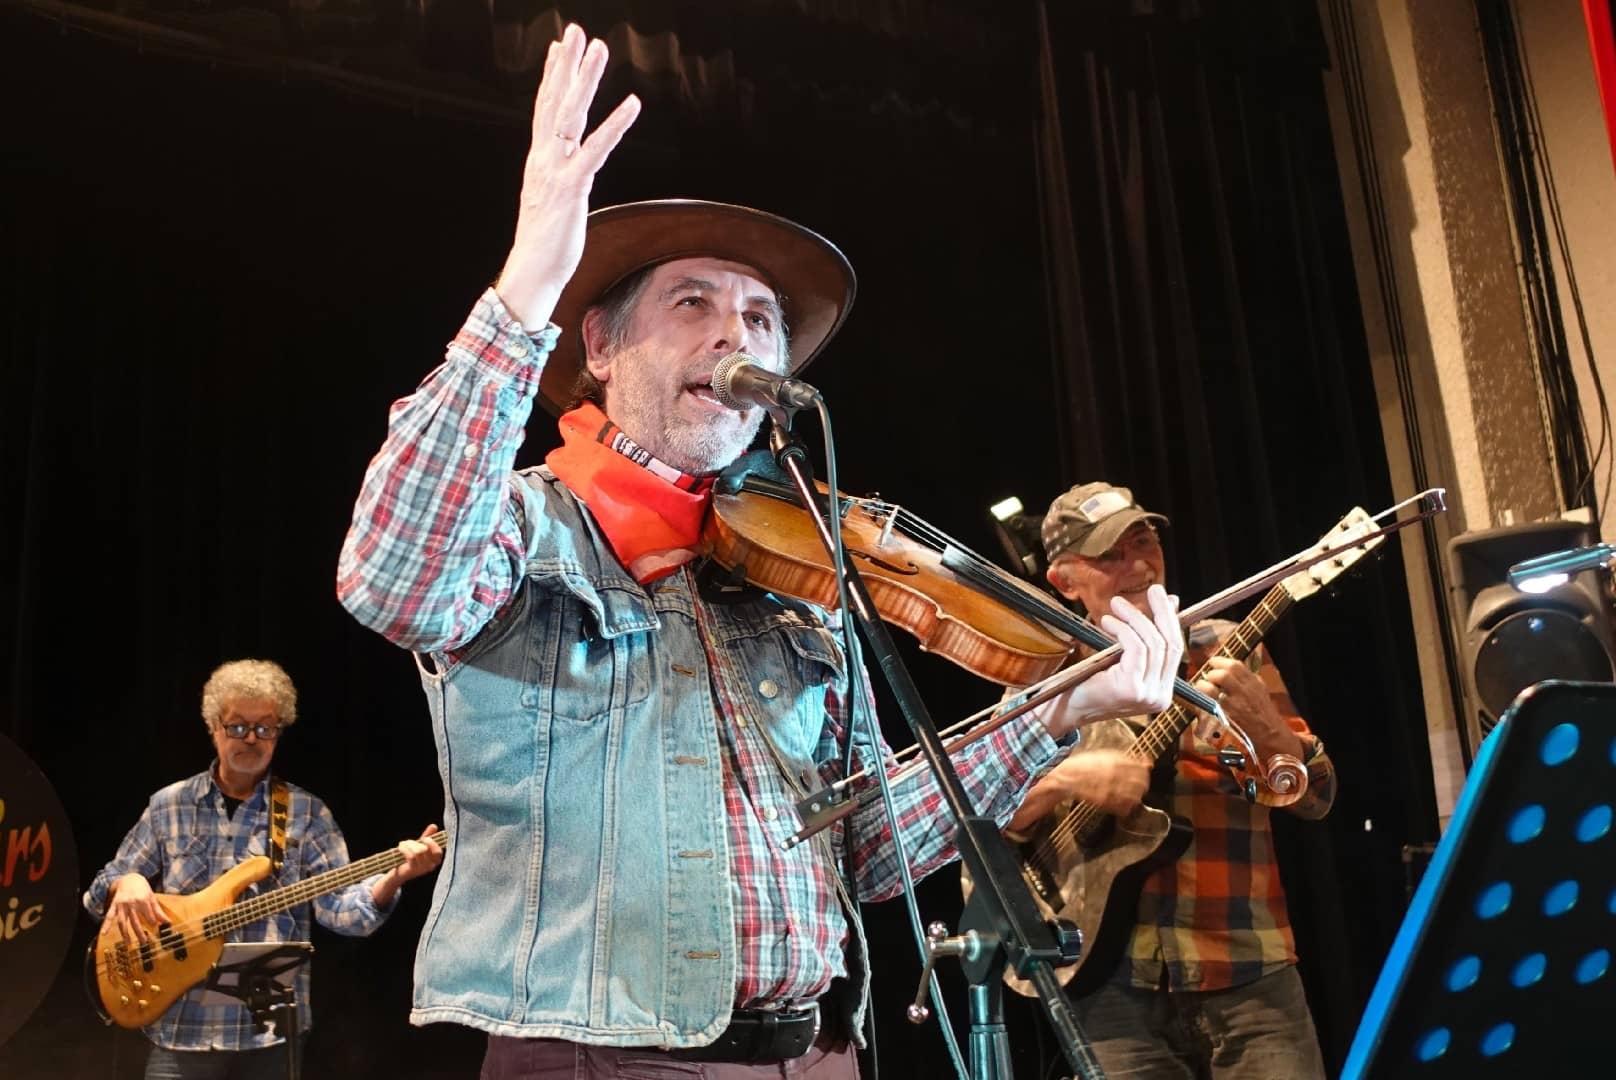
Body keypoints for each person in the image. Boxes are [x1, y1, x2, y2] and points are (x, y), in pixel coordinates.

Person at [336, 22, 1188, 1078]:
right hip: (606, 1060)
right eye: (691, 303)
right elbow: (393, 575)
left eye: (761, 316)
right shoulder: (529, 528)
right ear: (598, 346)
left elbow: (870, 845)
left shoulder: (796, 572)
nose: (736, 337)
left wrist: (1058, 710)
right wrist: (524, 291)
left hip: (814, 1056)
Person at [1006, 482, 1337, 1079]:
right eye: (1111, 553)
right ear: (1065, 581)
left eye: (1145, 541)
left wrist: (1270, 729)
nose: (1138, 564)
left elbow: (1314, 798)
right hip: (1107, 987)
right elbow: (979, 826)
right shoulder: (1040, 677)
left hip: (1248, 970)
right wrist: (1066, 781)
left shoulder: (1226, 649)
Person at [85, 659, 444, 1080]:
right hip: (182, 1030)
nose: (251, 739)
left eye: (265, 728)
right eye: (238, 727)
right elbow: (97, 897)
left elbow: (343, 914)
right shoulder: (170, 805)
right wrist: (125, 883)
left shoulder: (305, 812)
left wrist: (396, 877)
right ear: (214, 727)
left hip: (269, 1034)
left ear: (279, 731)